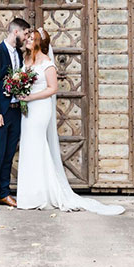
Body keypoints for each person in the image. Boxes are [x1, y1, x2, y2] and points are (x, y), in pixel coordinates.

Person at [15, 27, 125, 215]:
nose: (27, 41)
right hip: (28, 110)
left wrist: (31, 97)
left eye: (31, 39)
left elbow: (52, 89)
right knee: (28, 146)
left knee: (37, 145)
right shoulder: (25, 60)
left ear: (39, 43)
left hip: (40, 109)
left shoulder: (47, 63)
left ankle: (43, 194)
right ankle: (31, 194)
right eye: (28, 38)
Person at [0, 17, 31, 211]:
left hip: (15, 112)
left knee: (9, 154)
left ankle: (4, 193)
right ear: (16, 32)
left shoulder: (19, 55)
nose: (27, 37)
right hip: (0, 113)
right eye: (26, 33)